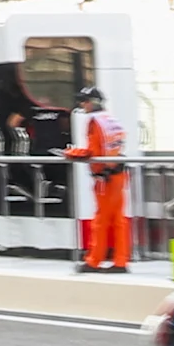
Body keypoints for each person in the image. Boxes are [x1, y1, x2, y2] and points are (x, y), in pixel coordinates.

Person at [64, 83, 132, 273]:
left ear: (92, 102)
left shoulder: (94, 122)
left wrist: (70, 153)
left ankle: (94, 260)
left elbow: (92, 151)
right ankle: (121, 261)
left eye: (84, 102)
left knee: (101, 220)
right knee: (119, 219)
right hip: (119, 173)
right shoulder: (110, 119)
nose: (82, 106)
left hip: (105, 178)